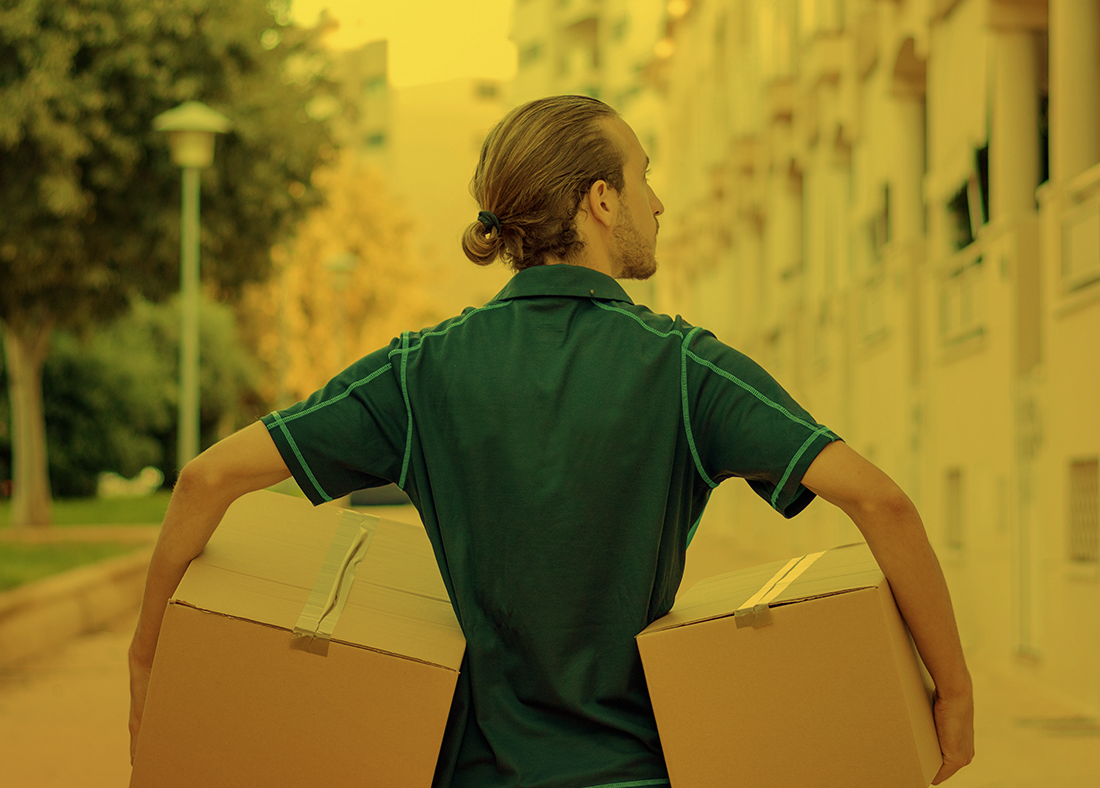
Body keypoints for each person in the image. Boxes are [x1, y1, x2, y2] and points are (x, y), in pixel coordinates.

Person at [127, 95, 975, 788]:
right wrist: (954, 697)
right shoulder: (685, 369)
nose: (657, 201)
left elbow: (205, 481)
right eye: (643, 175)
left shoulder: (422, 371)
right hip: (633, 772)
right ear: (599, 200)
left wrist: (146, 668)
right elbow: (880, 500)